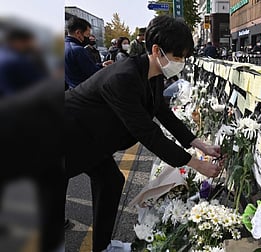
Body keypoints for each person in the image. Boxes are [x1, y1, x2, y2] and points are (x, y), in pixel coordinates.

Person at [64, 15, 221, 252]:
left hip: (91, 138)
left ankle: (103, 246)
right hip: (64, 133)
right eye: (177, 56)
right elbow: (149, 134)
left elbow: (163, 113)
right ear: (157, 50)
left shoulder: (152, 74)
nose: (181, 62)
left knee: (110, 181)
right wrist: (196, 165)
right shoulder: (123, 78)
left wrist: (200, 145)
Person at [64, 17, 113, 89]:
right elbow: (93, 73)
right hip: (84, 91)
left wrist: (101, 65)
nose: (89, 38)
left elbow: (81, 68)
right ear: (78, 33)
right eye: (87, 34)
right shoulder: (78, 50)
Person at [0, 25, 47, 96]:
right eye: (28, 42)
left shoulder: (3, 53)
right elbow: (43, 84)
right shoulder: (18, 61)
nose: (30, 45)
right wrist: (37, 53)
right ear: (18, 42)